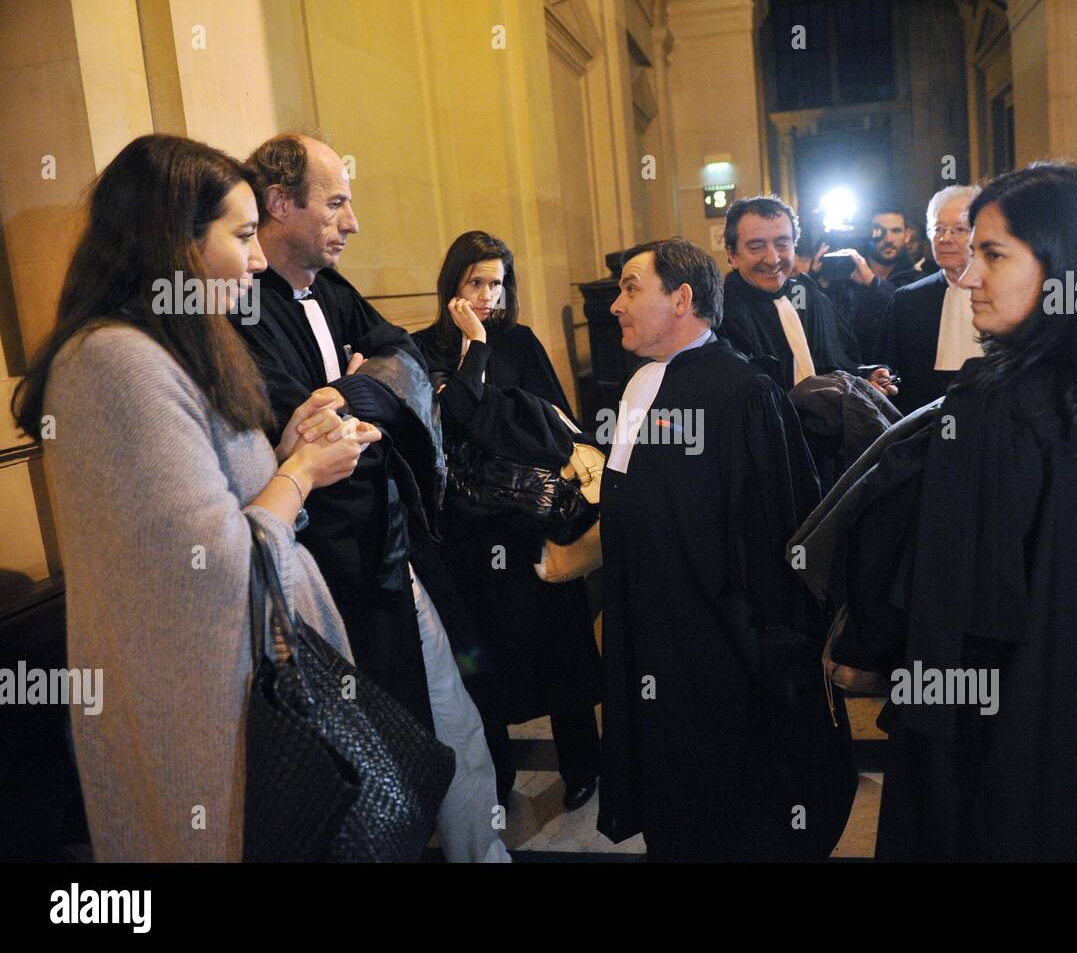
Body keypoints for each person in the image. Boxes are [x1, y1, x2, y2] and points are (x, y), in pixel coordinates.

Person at [11, 134, 379, 860]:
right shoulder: (115, 364)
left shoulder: (169, 346)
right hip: (202, 720)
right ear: (172, 242)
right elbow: (214, 564)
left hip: (241, 700)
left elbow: (214, 500)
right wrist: (300, 471)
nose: (255, 257)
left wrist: (284, 451)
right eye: (241, 236)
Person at [819, 163, 1077, 860]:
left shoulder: (989, 404)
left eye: (994, 254)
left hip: (999, 748)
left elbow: (956, 612)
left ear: (1065, 266)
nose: (967, 277)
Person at [234, 133, 507, 861]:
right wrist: (363, 394)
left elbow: (408, 361)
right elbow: (308, 433)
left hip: (390, 555)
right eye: (336, 201)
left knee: (451, 731)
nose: (351, 221)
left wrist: (353, 390)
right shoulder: (240, 309)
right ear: (279, 204)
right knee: (372, 776)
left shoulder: (333, 288)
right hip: (323, 585)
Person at [597, 237, 856, 861]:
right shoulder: (639, 386)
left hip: (720, 655)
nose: (615, 306)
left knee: (732, 812)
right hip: (651, 638)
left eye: (632, 287)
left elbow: (776, 536)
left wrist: (770, 651)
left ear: (682, 298)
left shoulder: (745, 393)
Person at [412, 231, 602, 811]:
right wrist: (475, 349)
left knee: (562, 649)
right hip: (470, 530)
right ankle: (496, 776)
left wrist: (492, 405)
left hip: (528, 519)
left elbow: (552, 425)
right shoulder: (423, 348)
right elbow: (454, 421)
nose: (489, 295)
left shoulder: (519, 339)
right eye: (477, 282)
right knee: (484, 659)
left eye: (498, 283)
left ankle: (582, 767)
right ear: (453, 286)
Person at [718, 195, 879, 394]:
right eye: (756, 247)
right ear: (732, 255)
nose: (772, 259)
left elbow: (838, 361)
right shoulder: (720, 314)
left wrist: (867, 377)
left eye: (782, 244)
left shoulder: (803, 294)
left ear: (795, 245)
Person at [875, 185, 983, 414]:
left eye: (959, 229)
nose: (945, 238)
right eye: (938, 229)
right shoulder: (907, 300)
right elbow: (889, 372)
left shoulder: (1002, 295)